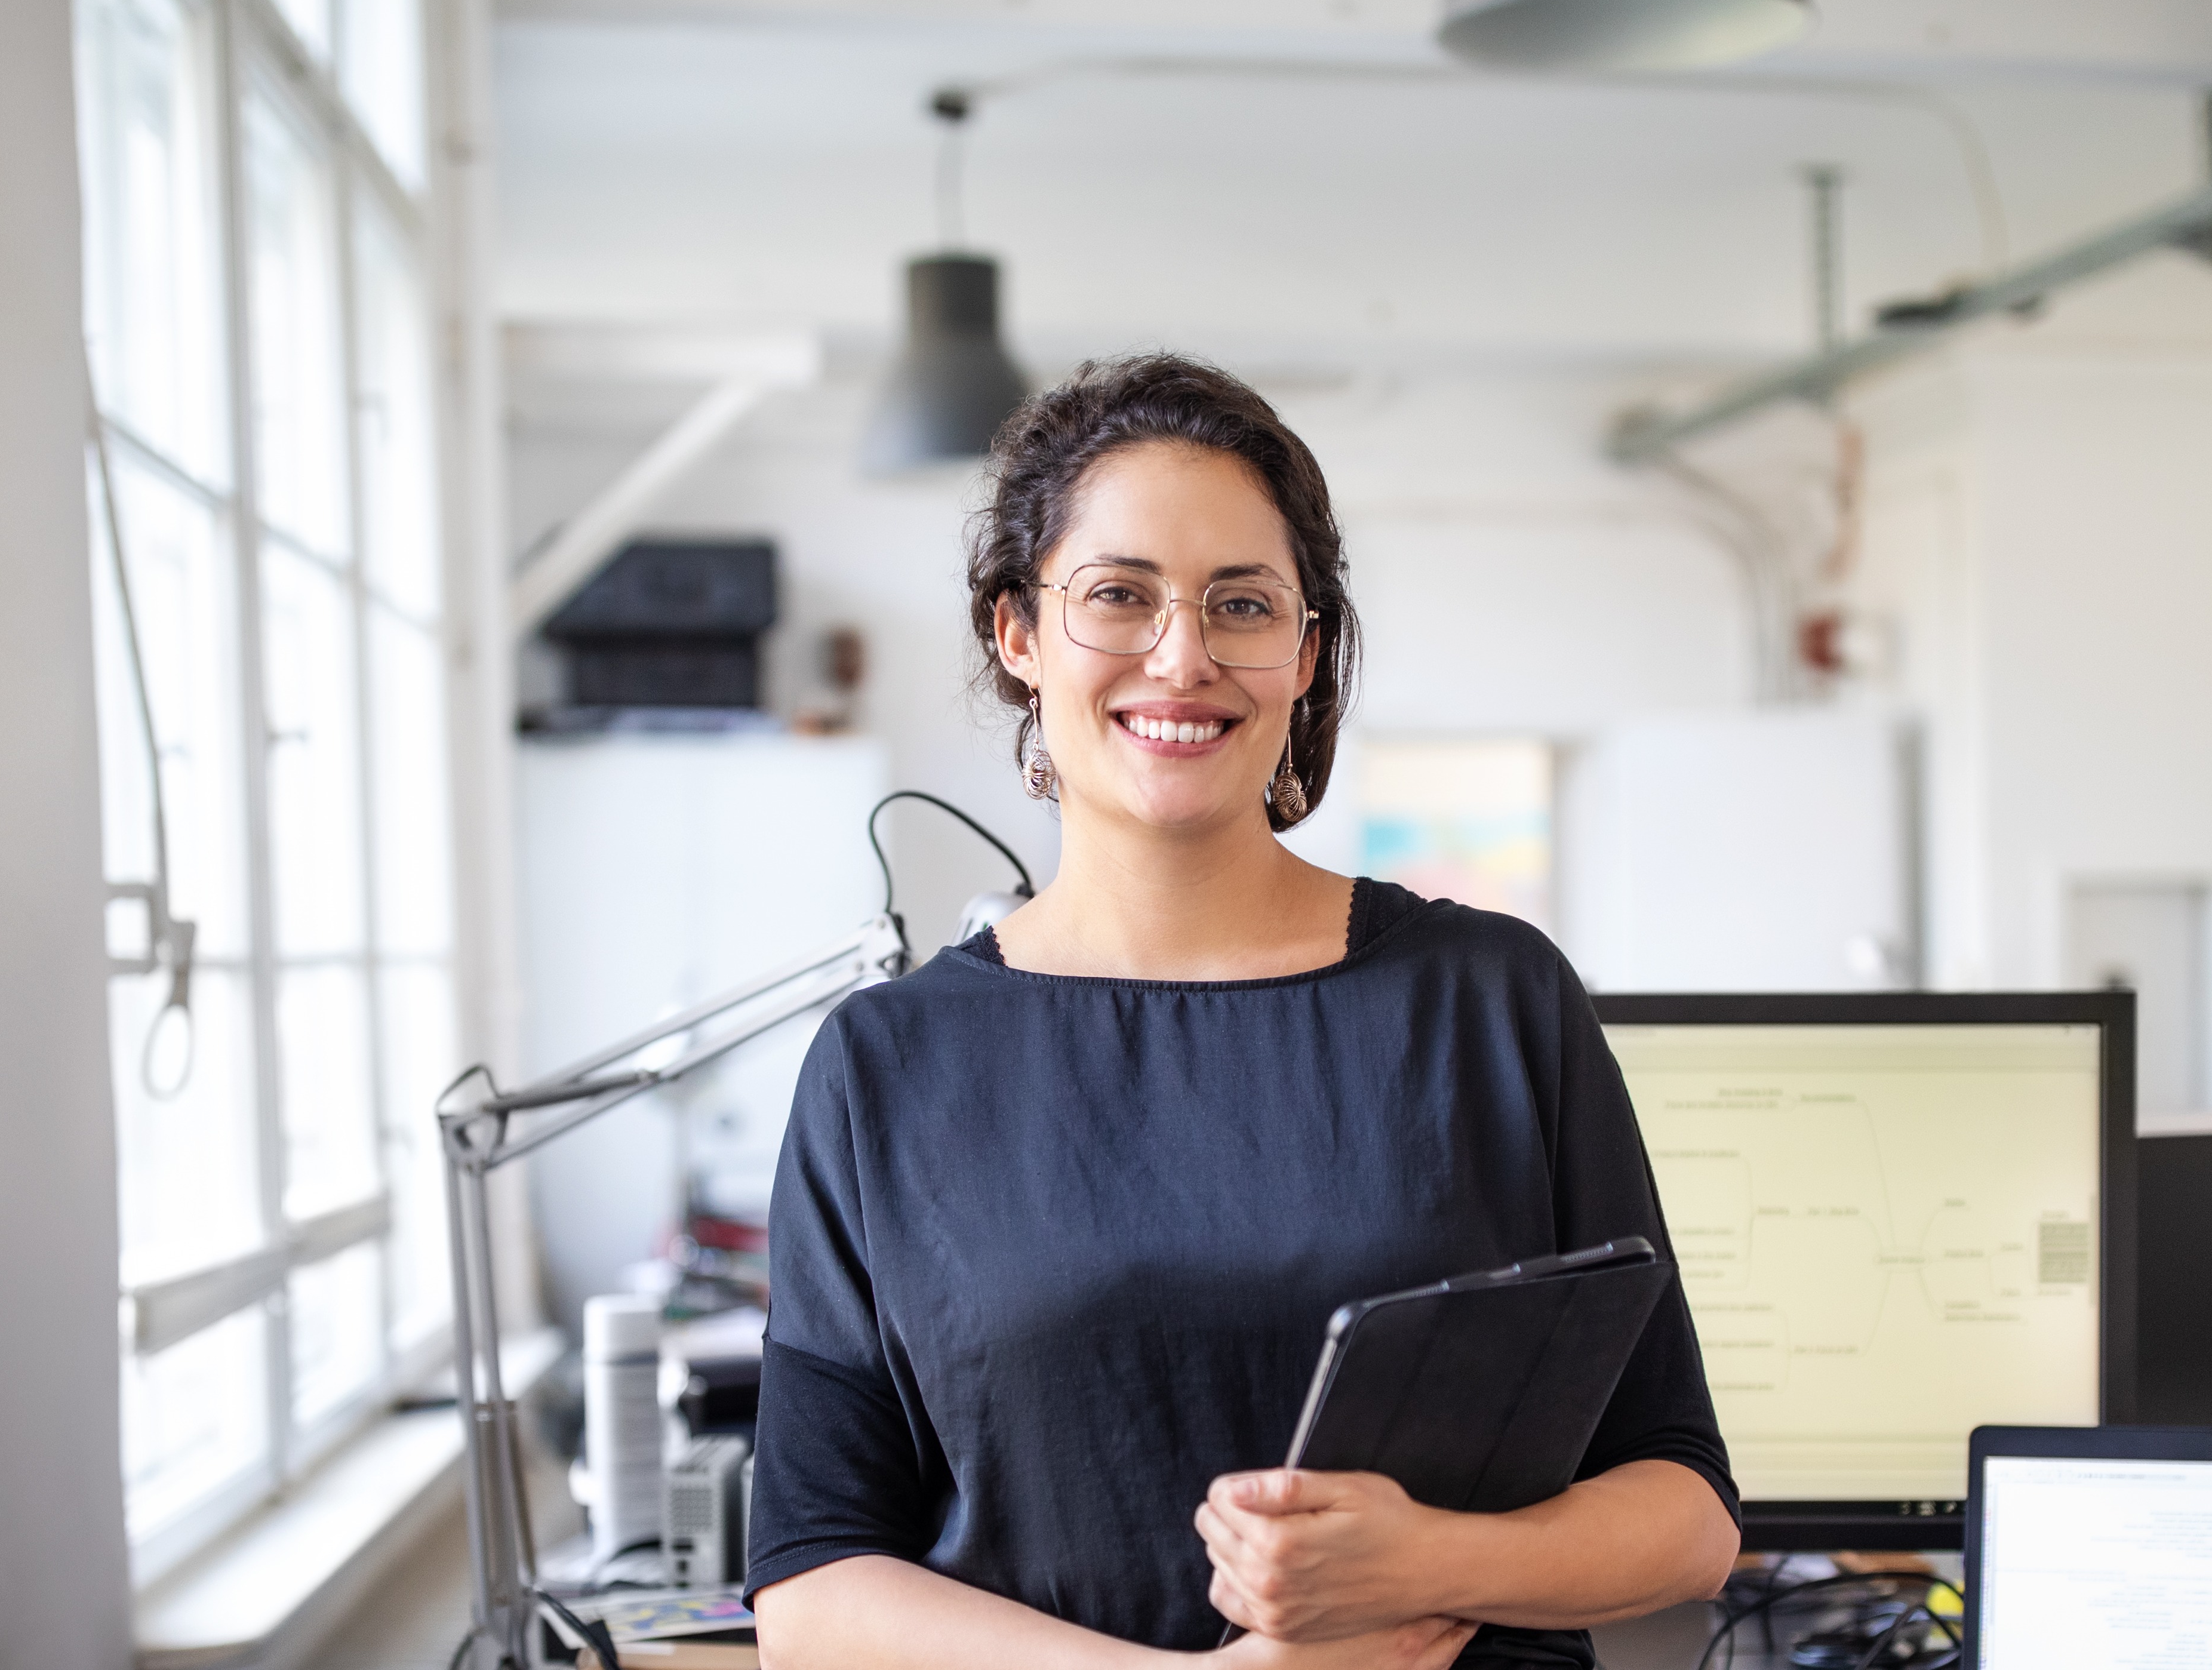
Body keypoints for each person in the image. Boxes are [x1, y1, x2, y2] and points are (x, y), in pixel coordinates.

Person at [743, 354, 1739, 1670]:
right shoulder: (887, 1065)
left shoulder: (1493, 1002)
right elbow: (810, 1584)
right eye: (1119, 595)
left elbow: (1685, 1512)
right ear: (1018, 632)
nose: (1184, 654)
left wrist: (1427, 1558)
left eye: (1243, 603)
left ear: (1305, 650)